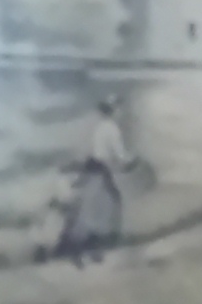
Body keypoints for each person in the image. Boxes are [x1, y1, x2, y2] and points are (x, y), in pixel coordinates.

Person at [55, 97, 140, 258]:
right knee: (112, 201)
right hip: (101, 168)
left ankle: (81, 240)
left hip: (94, 166)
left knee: (93, 202)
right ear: (114, 111)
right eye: (118, 108)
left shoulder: (101, 126)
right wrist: (132, 161)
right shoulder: (112, 128)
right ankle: (106, 238)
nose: (120, 112)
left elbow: (99, 151)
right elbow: (120, 155)